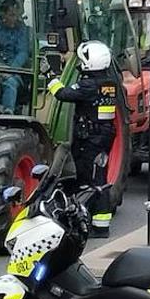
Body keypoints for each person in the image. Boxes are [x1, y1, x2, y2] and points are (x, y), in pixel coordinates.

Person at [48, 40, 120, 238]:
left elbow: (63, 94)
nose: (79, 64)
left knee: (92, 180)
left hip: (92, 138)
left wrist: (51, 78)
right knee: (98, 177)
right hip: (103, 135)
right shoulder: (109, 83)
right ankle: (95, 220)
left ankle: (98, 226)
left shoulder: (88, 85)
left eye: (81, 60)